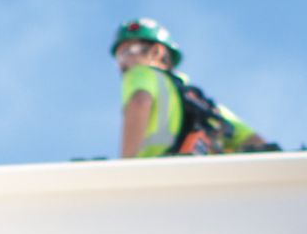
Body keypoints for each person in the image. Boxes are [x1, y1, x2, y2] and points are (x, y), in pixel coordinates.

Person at [114, 17, 277, 159]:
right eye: (120, 55)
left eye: (131, 50)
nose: (123, 62)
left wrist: (126, 165)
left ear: (157, 52)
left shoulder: (139, 73)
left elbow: (140, 102)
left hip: (153, 171)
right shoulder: (200, 101)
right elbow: (253, 140)